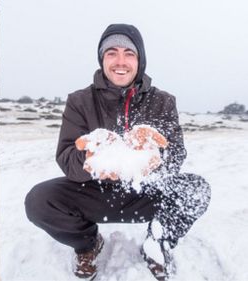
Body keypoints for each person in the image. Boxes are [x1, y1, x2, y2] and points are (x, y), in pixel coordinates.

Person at [24, 23, 211, 281]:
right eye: (111, 52)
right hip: (95, 191)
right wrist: (92, 159)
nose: (120, 61)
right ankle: (88, 244)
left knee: (196, 189)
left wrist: (153, 157)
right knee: (38, 200)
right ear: (102, 58)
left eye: (129, 53)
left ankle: (157, 243)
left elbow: (176, 154)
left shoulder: (163, 101)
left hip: (144, 191)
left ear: (140, 60)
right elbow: (67, 158)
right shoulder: (79, 101)